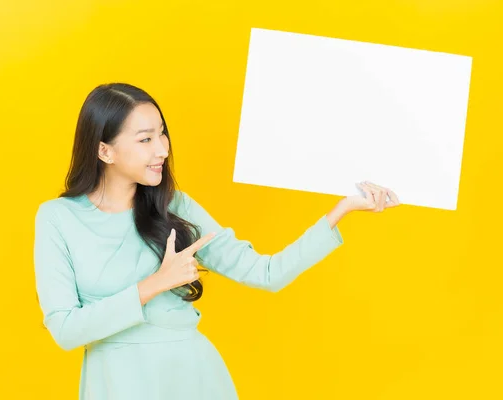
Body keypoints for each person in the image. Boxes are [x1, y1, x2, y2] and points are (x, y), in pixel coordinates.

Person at [33, 82, 400, 400]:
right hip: (117, 383)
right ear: (105, 151)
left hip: (195, 378)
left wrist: (343, 210)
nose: (162, 149)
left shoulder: (174, 205)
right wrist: (155, 284)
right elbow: (66, 330)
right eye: (145, 139)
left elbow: (266, 273)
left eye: (162, 133)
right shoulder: (57, 218)